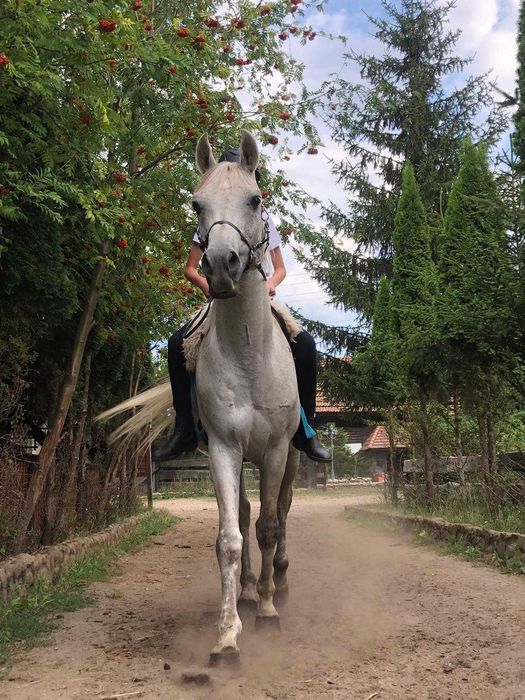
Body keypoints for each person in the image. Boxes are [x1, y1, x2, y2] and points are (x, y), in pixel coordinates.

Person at [153, 149, 330, 464]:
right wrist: (208, 286)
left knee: (305, 344)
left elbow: (280, 268)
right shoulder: (212, 219)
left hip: (261, 295)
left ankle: (306, 427)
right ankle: (183, 429)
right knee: (176, 343)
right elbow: (190, 268)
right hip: (219, 297)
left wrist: (271, 284)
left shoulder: (263, 217)